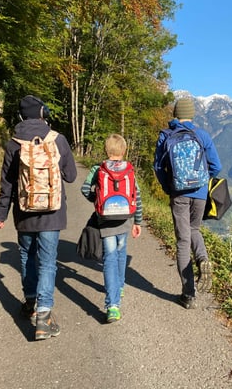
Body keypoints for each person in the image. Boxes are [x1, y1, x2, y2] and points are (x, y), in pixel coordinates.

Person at [0, 95, 77, 340]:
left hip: (24, 212)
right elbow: (71, 176)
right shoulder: (57, 140)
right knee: (48, 262)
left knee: (27, 255)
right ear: (44, 113)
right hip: (52, 212)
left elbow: (7, 184)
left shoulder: (13, 144)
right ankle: (43, 316)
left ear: (21, 116)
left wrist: (1, 214)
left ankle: (30, 302)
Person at [153, 97, 222, 309]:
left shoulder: (165, 135)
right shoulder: (201, 135)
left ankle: (189, 295)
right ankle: (202, 258)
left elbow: (158, 167)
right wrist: (202, 181)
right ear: (192, 114)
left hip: (178, 194)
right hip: (200, 194)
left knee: (183, 241)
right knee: (195, 229)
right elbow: (216, 166)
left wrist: (169, 187)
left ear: (175, 114)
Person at [80, 134, 142, 323]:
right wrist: (137, 221)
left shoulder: (98, 169)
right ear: (123, 151)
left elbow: (84, 189)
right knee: (121, 253)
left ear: (107, 151)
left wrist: (97, 202)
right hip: (124, 220)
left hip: (105, 220)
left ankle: (112, 306)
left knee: (109, 257)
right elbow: (136, 196)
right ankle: (120, 287)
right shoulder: (129, 170)